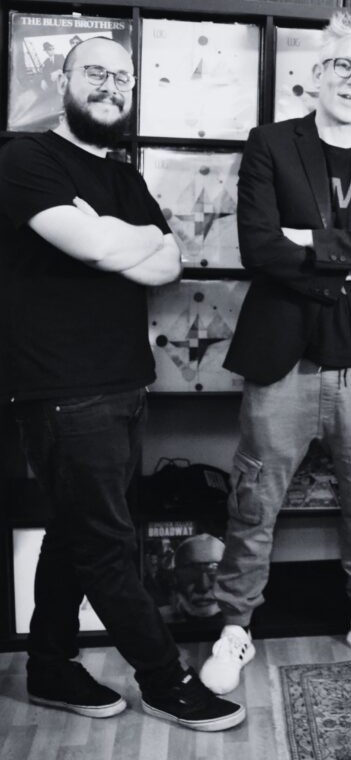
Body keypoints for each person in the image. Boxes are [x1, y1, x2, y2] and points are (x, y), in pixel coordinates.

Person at [0, 36, 245, 732]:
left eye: (122, 76)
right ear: (64, 80)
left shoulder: (123, 176)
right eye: (95, 72)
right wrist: (116, 241)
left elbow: (168, 262)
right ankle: (166, 681)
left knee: (73, 533)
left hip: (125, 385)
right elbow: (104, 247)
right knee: (106, 547)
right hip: (61, 389)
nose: (110, 85)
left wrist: (111, 235)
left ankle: (49, 665)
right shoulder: (25, 159)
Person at [199, 10, 351, 695]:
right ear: (319, 72)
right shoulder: (270, 144)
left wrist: (309, 243)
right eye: (345, 66)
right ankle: (235, 627)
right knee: (253, 503)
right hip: (283, 362)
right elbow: (259, 247)